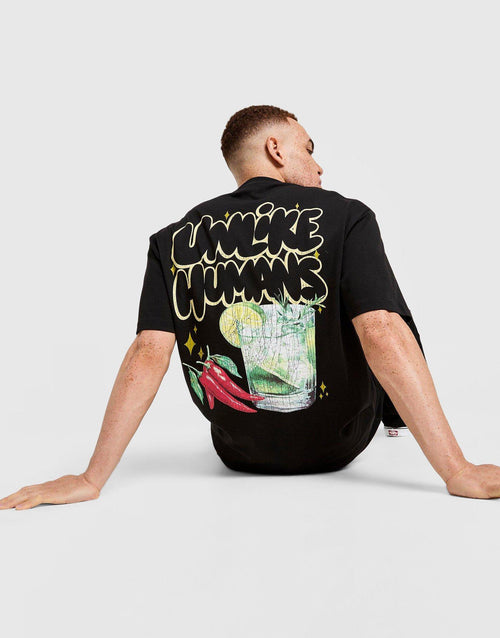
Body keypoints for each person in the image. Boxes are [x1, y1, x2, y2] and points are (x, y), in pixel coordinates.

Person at [2, 105, 500, 510]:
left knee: (368, 300)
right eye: (309, 149)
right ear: (276, 149)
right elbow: (382, 333)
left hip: (240, 451)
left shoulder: (172, 239)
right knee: (382, 308)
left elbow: (147, 353)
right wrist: (457, 470)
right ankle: (398, 419)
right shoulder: (346, 215)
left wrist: (92, 477)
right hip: (339, 443)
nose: (319, 166)